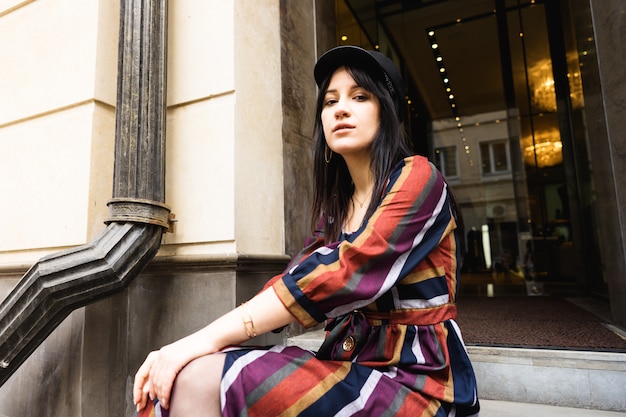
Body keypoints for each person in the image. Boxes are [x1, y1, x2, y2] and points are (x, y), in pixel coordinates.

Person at [132, 45, 480, 417]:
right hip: (348, 362)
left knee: (205, 375)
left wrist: (202, 339)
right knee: (184, 377)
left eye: (360, 97)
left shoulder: (419, 178)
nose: (341, 109)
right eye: (330, 102)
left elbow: (343, 273)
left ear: (386, 112)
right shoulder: (337, 208)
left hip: (417, 383)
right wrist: (192, 348)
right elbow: (296, 278)